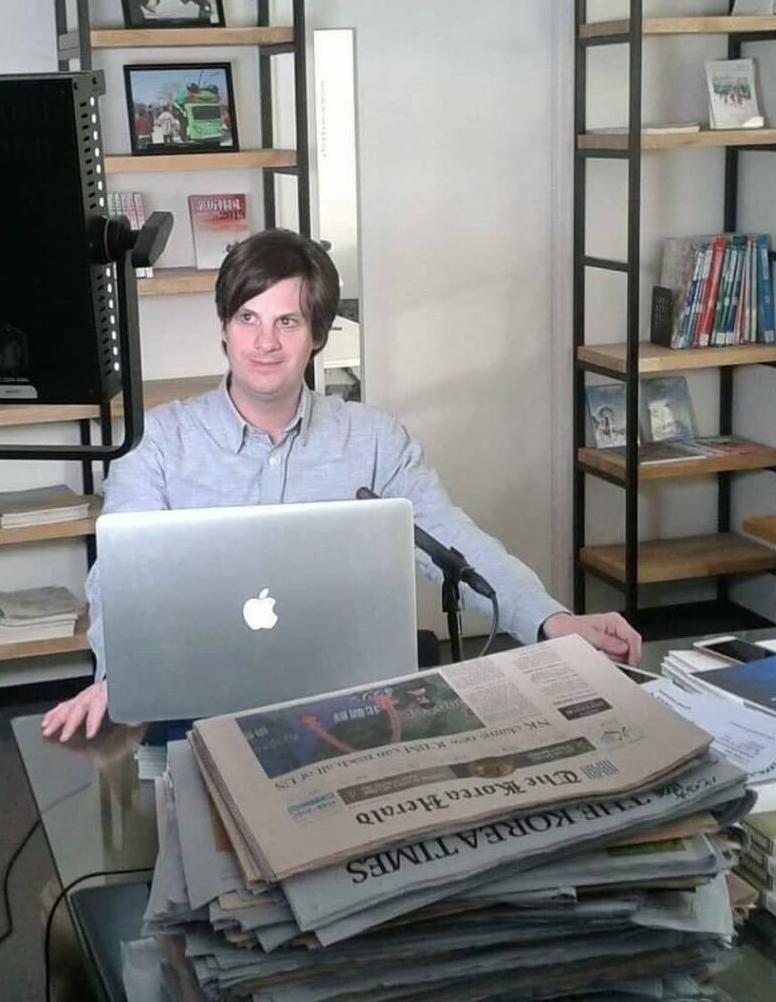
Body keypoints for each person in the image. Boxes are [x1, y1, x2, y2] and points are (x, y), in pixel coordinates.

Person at [41, 231, 641, 741]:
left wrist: (553, 622)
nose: (264, 343)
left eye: (287, 322)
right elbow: (119, 582)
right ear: (224, 329)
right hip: (196, 701)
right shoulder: (158, 443)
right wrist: (122, 677)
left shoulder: (373, 439)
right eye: (247, 318)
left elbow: (455, 543)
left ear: (317, 335)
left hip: (346, 701)